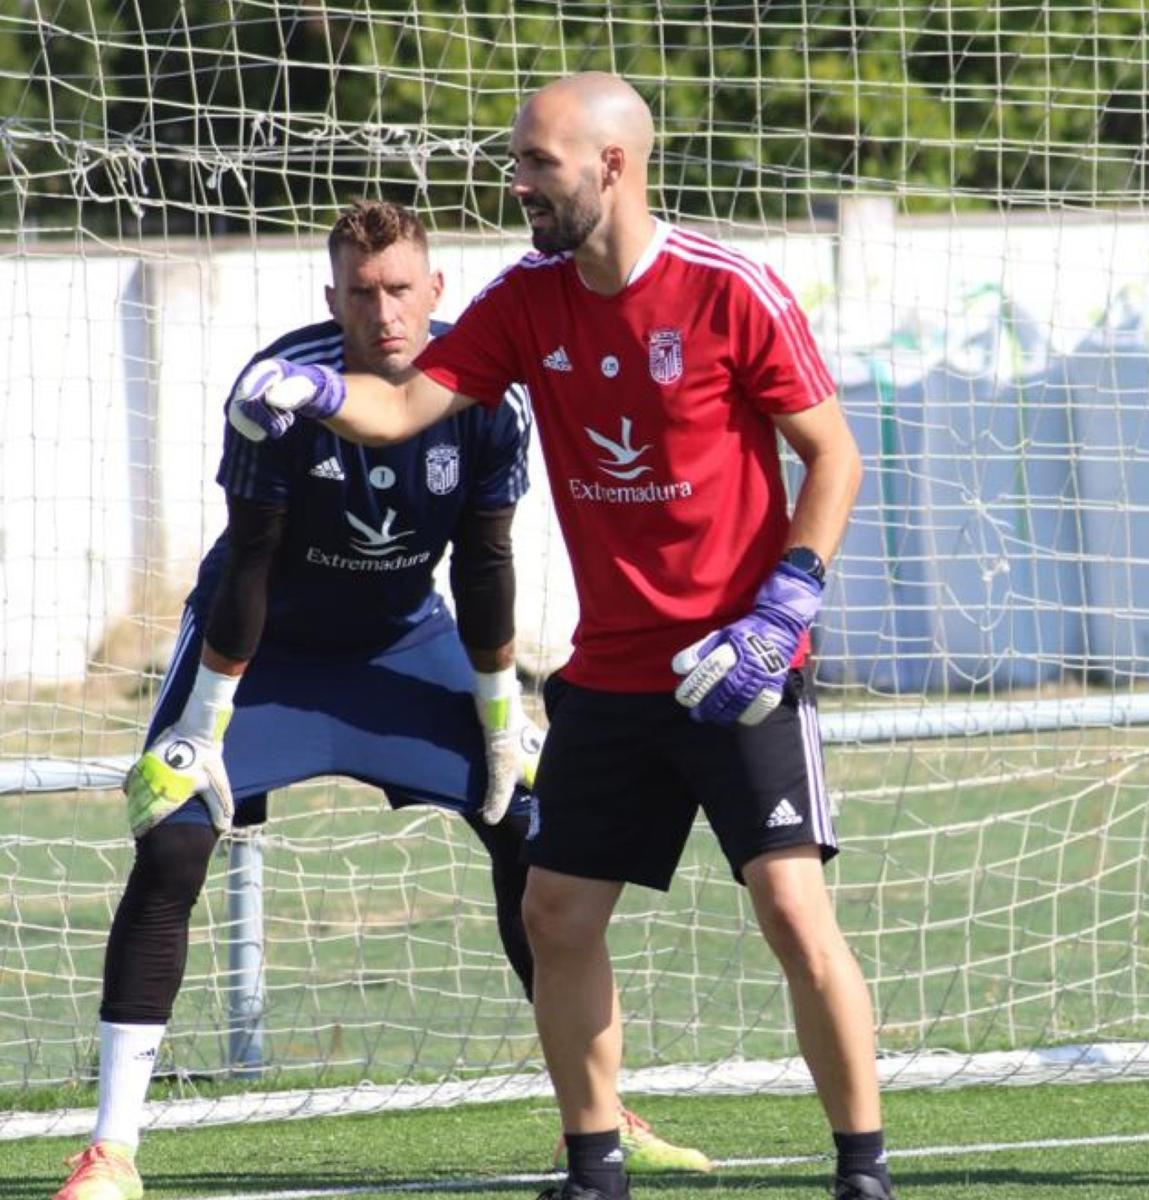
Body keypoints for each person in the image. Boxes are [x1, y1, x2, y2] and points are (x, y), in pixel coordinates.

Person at [229, 73, 895, 1200]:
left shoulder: (732, 290)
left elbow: (833, 456)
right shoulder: (524, 299)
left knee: (791, 908)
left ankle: (862, 1172)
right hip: (611, 678)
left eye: (537, 161)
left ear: (612, 167)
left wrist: (787, 609)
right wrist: (303, 388)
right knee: (556, 911)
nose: (518, 180)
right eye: (518, 160)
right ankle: (596, 1167)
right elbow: (399, 405)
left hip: (740, 669)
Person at [52, 200, 710, 1200]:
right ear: (334, 298)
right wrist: (198, 728)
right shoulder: (279, 389)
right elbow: (250, 564)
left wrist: (501, 716)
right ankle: (111, 1148)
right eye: (363, 293)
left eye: (401, 288)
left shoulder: (487, 395)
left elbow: (485, 564)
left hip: (409, 639)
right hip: (265, 646)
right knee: (174, 835)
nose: (384, 310)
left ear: (434, 290)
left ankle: (600, 1113)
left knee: (532, 824)